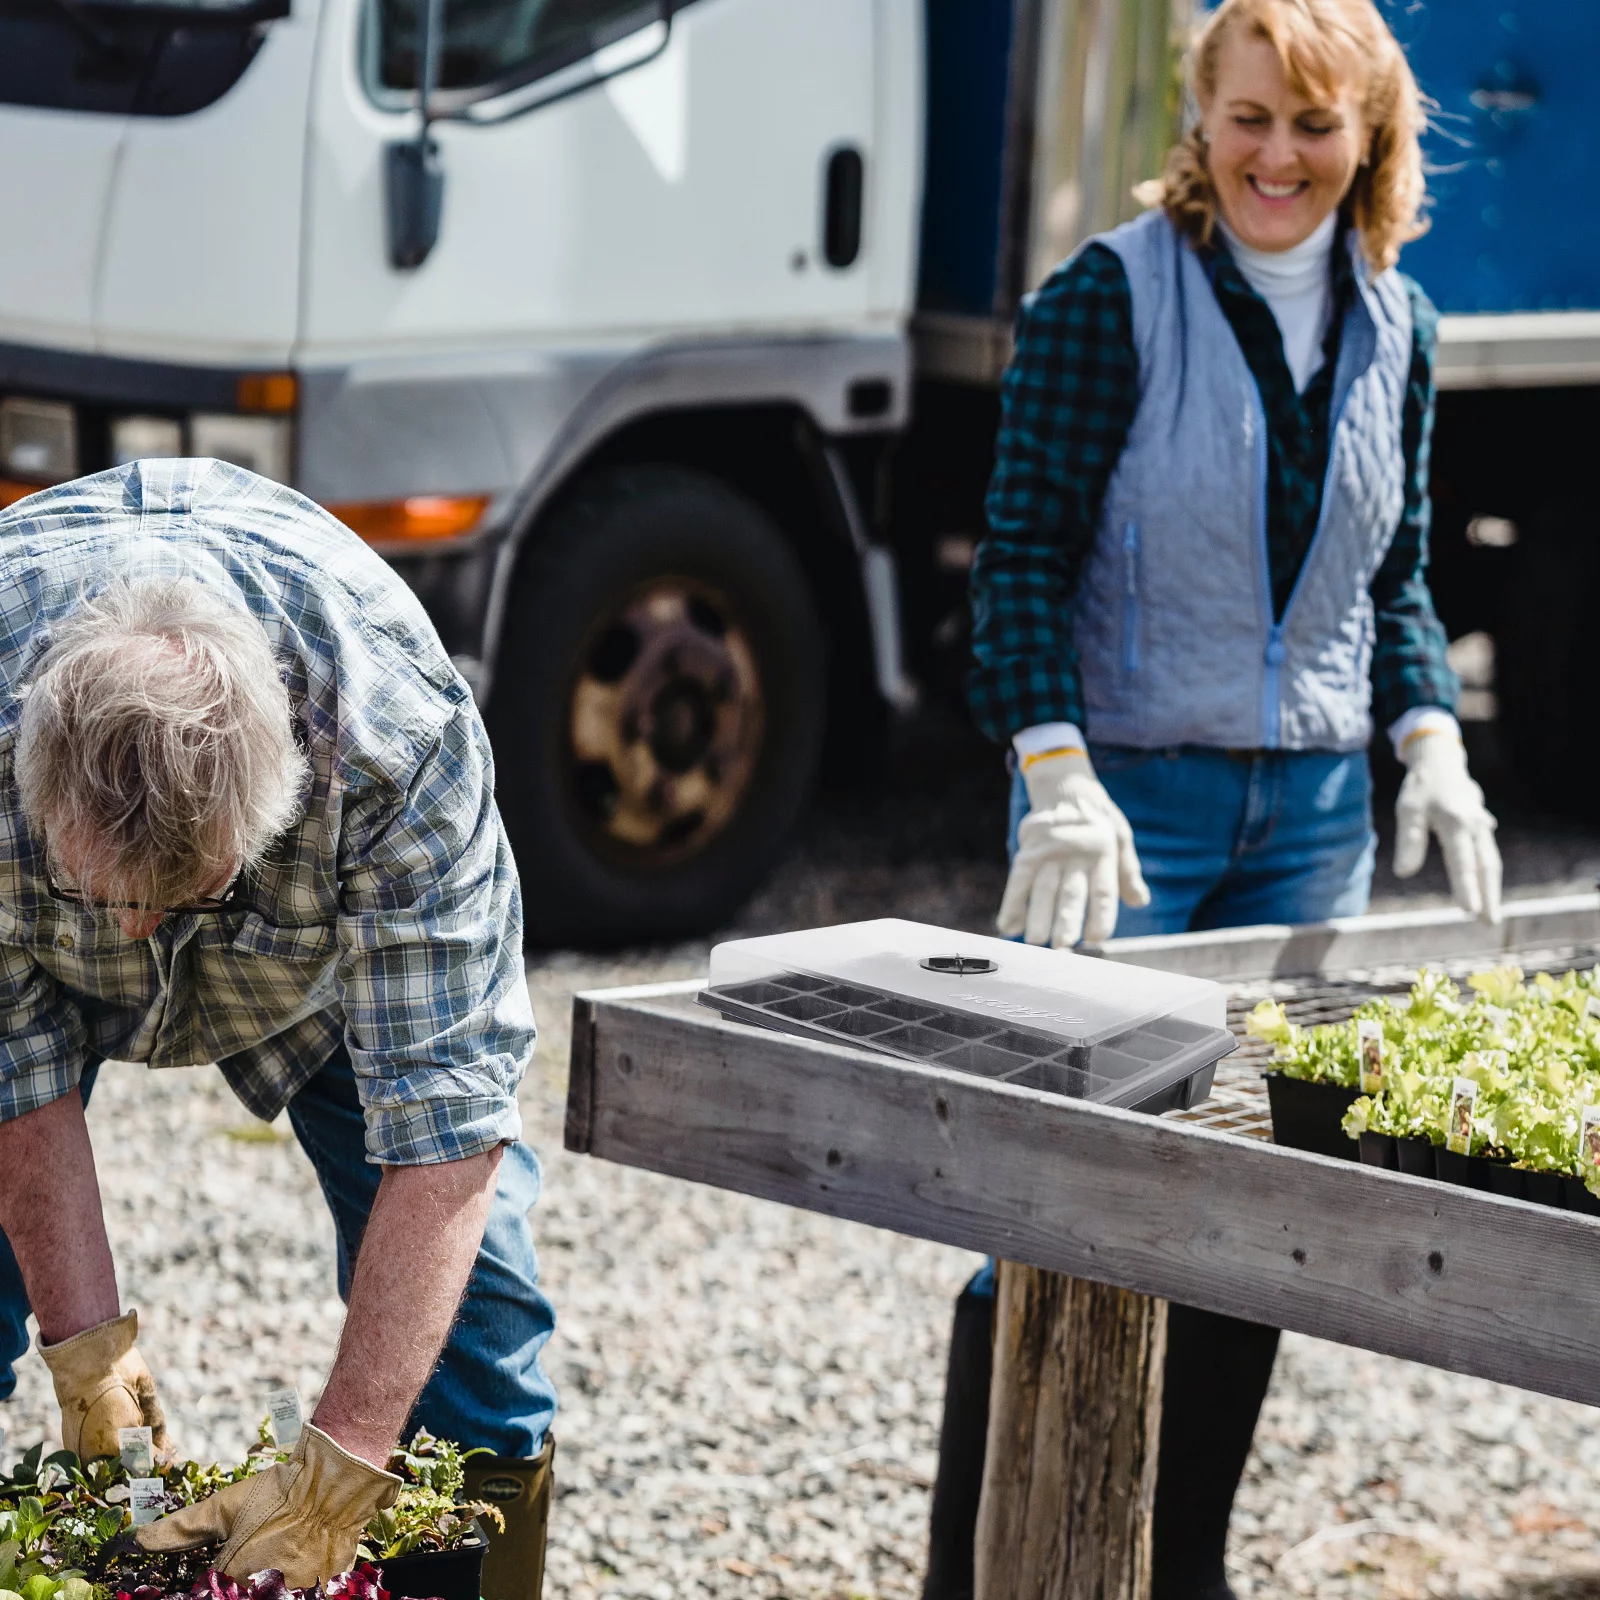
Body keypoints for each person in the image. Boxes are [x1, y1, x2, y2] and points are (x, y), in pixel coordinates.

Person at [924, 2, 1503, 1597]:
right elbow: (1022, 564)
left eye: (1316, 126)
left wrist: (1429, 738)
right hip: (1128, 825)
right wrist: (1053, 771)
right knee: (1048, 1212)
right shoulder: (1110, 298)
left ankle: (1179, 1573)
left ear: (1370, 136)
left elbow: (1396, 582)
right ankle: (985, 1577)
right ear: (1204, 119)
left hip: (1310, 831)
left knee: (1255, 1229)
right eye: (1251, 119)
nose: (1279, 157)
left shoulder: (1405, 321)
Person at [0, 459, 555, 1594]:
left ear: (278, 801)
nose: (145, 926)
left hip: (313, 974)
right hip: (37, 950)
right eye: (113, 897)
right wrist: (95, 1363)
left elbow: (450, 1120)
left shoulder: (396, 752)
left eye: (180, 893)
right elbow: (14, 1069)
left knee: (481, 1349)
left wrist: (337, 1473)